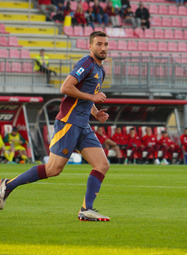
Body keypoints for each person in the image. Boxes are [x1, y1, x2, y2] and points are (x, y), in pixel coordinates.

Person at [0, 31, 111, 222]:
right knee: (53, 169)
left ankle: (86, 210)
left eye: (105, 44)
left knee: (102, 165)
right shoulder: (85, 63)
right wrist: (93, 98)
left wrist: (95, 112)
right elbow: (66, 88)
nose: (103, 48)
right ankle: (7, 185)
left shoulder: (101, 70)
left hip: (83, 125)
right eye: (99, 44)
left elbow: (85, 94)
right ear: (90, 46)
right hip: (68, 123)